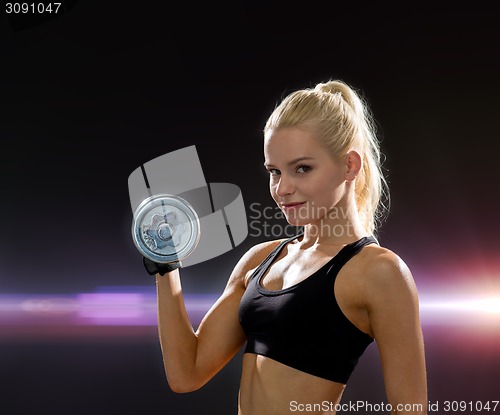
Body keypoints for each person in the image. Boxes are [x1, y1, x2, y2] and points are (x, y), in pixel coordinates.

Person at [146, 79, 428, 414]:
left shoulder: (379, 271)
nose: (282, 189)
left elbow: (410, 410)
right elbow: (186, 374)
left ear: (350, 165)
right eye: (274, 171)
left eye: (302, 169)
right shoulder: (260, 259)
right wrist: (165, 261)